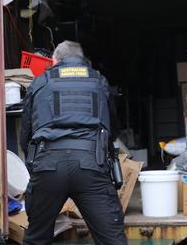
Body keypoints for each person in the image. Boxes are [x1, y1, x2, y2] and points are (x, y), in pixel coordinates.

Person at [20, 41, 127, 245]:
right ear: (82, 59)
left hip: (48, 164)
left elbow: (26, 133)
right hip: (91, 164)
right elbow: (113, 127)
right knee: (113, 239)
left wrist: (36, 165)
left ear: (54, 60)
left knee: (36, 238)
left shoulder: (41, 81)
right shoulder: (99, 80)